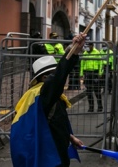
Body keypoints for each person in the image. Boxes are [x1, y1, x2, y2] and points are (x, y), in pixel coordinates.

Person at [10, 33, 86, 167]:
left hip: (53, 150)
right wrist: (72, 52)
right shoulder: (43, 94)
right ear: (45, 78)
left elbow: (51, 122)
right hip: (51, 156)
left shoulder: (43, 96)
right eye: (52, 74)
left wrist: (70, 137)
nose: (61, 79)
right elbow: (58, 77)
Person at [80, 42, 104, 112]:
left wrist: (100, 72)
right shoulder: (85, 53)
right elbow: (82, 63)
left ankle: (100, 107)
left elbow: (101, 63)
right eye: (86, 46)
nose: (87, 47)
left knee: (97, 92)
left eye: (88, 46)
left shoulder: (97, 52)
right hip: (87, 73)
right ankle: (91, 107)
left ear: (92, 46)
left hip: (95, 73)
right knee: (89, 92)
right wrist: (81, 73)